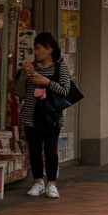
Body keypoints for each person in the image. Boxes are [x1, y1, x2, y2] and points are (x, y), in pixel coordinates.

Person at [15, 32, 70, 198]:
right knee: (34, 150)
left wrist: (46, 82)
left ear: (49, 49)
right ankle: (38, 181)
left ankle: (51, 183)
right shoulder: (30, 68)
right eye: (34, 49)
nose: (36, 52)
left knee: (51, 150)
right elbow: (20, 93)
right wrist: (24, 76)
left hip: (52, 116)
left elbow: (66, 91)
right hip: (30, 115)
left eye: (38, 48)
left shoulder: (60, 67)